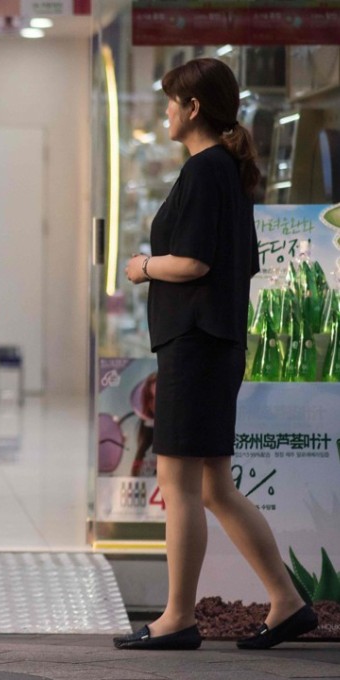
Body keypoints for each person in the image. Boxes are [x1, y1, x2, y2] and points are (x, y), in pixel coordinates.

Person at [115, 58, 317, 651]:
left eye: (173, 102)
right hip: (213, 343)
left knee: (180, 483)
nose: (167, 113)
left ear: (194, 108)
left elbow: (195, 262)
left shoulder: (205, 171)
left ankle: (178, 616)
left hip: (195, 345)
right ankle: (287, 602)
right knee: (213, 486)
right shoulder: (225, 172)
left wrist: (142, 267)